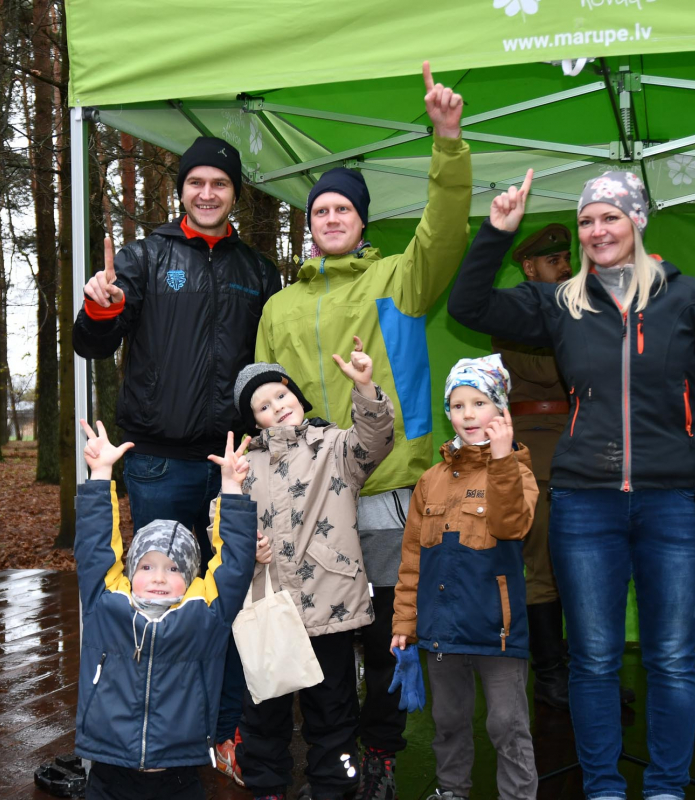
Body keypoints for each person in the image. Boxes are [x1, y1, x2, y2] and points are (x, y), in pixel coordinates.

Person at [448, 169, 695, 800]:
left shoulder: (690, 298)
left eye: (610, 217)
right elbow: (468, 306)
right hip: (585, 503)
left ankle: (668, 788)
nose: (596, 230)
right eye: (587, 220)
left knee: (671, 659)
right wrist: (495, 231)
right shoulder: (562, 302)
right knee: (593, 659)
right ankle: (604, 788)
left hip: (677, 502)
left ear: (639, 221)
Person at [254, 61, 471, 800]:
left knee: (384, 631)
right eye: (321, 211)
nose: (332, 218)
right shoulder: (280, 307)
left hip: (382, 487)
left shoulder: (398, 282)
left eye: (344, 209)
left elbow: (443, 233)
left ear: (361, 221)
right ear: (309, 224)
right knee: (321, 635)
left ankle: (380, 750)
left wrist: (448, 142)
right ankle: (333, 755)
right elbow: (263, 400)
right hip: (306, 501)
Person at [73, 135, 282, 777]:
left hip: (233, 465)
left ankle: (221, 734)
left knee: (228, 601)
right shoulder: (143, 257)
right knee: (159, 601)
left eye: (220, 183)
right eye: (198, 182)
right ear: (183, 189)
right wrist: (100, 307)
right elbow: (92, 343)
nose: (208, 192)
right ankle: (152, 739)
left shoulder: (259, 270)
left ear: (234, 193)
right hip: (159, 464)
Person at [230, 339, 395, 800]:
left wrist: (364, 387)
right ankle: (268, 788)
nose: (276, 407)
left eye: (280, 395)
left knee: (333, 711)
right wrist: (247, 544)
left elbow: (376, 438)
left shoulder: (336, 447)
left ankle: (333, 787)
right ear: (254, 420)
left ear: (296, 396)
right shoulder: (245, 467)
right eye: (262, 406)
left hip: (331, 607)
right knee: (265, 711)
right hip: (270, 612)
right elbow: (221, 527)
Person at [72, 424, 259, 800]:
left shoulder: (205, 613)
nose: (159, 577)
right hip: (109, 773)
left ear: (190, 577)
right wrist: (101, 474)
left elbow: (235, 564)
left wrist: (231, 487)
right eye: (147, 566)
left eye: (174, 569)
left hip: (179, 775)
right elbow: (93, 548)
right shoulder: (105, 603)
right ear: (130, 571)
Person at [392, 355, 540, 800]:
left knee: (507, 724)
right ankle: (452, 791)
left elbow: (513, 524)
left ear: (501, 411)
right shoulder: (430, 480)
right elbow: (413, 557)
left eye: (479, 402)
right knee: (449, 722)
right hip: (441, 630)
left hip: (497, 630)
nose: (469, 414)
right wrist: (404, 622)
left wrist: (500, 462)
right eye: (458, 405)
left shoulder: (518, 470)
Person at [490, 223, 573, 710]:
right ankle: (551, 676)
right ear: (528, 267)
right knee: (540, 567)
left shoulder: (584, 306)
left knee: (585, 568)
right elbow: (549, 370)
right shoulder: (515, 310)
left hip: (584, 448)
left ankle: (583, 673)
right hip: (537, 452)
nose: (564, 267)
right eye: (553, 261)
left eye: (566, 260)